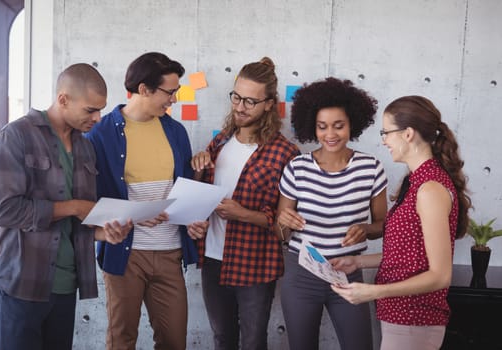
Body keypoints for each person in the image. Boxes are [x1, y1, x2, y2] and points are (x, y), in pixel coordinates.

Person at [0, 63, 132, 350]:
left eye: (100, 109)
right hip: (20, 281)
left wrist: (104, 234)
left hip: (66, 284)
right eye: (90, 110)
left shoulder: (85, 146)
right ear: (63, 99)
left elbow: (75, 224)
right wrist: (75, 206)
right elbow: (4, 211)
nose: (98, 118)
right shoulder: (15, 136)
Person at [330, 95, 472, 350]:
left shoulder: (430, 189)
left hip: (414, 318)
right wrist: (358, 262)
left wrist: (373, 292)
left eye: (386, 132)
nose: (384, 140)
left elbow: (440, 276)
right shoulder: (417, 182)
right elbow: (408, 255)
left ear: (408, 134)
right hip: (401, 317)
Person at [85, 52, 198, 350]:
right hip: (125, 254)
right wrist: (134, 215)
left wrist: (196, 218)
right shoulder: (100, 133)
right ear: (145, 89)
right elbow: (87, 200)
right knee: (122, 339)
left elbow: (185, 188)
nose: (174, 99)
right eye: (170, 92)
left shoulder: (176, 131)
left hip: (170, 251)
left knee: (174, 341)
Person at [188, 57, 300, 350]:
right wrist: (199, 170)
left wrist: (243, 214)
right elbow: (200, 200)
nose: (239, 106)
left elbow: (284, 224)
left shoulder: (285, 153)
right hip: (212, 258)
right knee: (222, 339)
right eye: (236, 97)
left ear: (268, 104)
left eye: (250, 101)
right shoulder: (220, 142)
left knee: (252, 341)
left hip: (254, 262)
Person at [276, 77, 388, 350]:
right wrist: (283, 222)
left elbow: (383, 225)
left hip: (348, 272)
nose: (331, 134)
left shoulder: (370, 168)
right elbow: (281, 231)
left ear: (352, 124)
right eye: (322, 127)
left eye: (339, 126)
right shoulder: (297, 167)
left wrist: (365, 229)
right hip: (301, 274)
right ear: (312, 128)